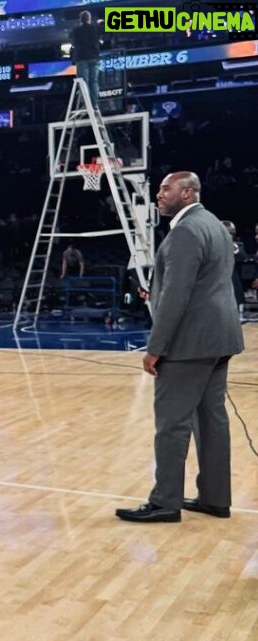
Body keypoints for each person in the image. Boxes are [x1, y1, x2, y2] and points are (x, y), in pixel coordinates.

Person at [116, 172, 245, 523]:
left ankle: (164, 502)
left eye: (166, 189)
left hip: (190, 343)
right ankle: (215, 498)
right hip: (220, 338)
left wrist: (155, 347)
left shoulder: (186, 231)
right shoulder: (216, 225)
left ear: (187, 193)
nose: (159, 194)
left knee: (172, 424)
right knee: (211, 420)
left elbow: (177, 296)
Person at [71, 11, 103, 107]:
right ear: (89, 19)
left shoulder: (76, 30)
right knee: (94, 81)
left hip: (82, 59)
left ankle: (86, 103)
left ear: (80, 20)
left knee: (84, 82)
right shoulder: (96, 28)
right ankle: (94, 104)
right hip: (94, 58)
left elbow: (71, 40)